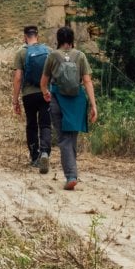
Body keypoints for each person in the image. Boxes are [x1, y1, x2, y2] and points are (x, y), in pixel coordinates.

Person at [40, 26, 98, 190]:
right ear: (72, 40)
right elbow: (87, 81)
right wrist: (93, 105)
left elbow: (43, 82)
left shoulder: (53, 56)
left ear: (58, 40)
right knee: (71, 137)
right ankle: (72, 173)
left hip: (57, 98)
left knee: (64, 138)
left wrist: (46, 93)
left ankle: (71, 175)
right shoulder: (80, 56)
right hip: (76, 101)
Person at [12, 25, 52, 174]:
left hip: (28, 94)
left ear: (25, 37)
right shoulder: (48, 51)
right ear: (37, 36)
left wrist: (15, 100)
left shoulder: (21, 53)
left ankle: (35, 157)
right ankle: (45, 153)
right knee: (46, 124)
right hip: (45, 93)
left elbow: (17, 78)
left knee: (31, 125)